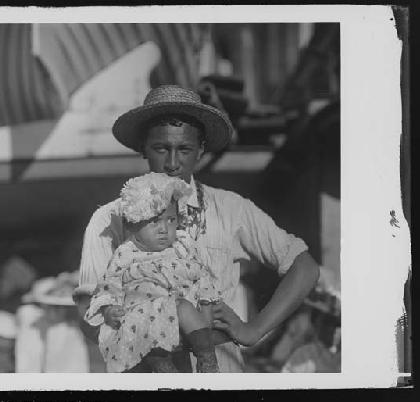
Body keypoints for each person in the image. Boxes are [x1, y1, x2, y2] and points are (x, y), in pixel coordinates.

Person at [74, 84, 320, 372]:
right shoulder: (109, 219)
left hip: (219, 371)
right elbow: (87, 310)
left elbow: (304, 267)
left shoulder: (229, 209)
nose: (173, 163)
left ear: (201, 150)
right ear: (143, 148)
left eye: (185, 149)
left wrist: (253, 330)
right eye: (161, 148)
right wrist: (139, 329)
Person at [85, 172, 222, 373]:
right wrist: (108, 310)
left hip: (180, 316)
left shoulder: (182, 246)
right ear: (133, 224)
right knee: (144, 338)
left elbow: (201, 275)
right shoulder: (125, 253)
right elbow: (108, 286)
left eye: (170, 220)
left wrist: (206, 306)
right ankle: (161, 367)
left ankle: (207, 356)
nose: (163, 229)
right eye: (154, 221)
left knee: (183, 308)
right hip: (143, 320)